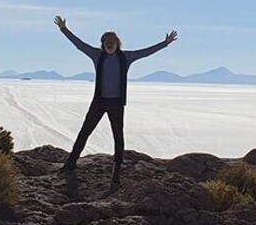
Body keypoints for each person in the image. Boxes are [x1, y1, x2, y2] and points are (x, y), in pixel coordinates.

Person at [53, 15, 178, 193]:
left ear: (117, 43)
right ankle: (70, 164)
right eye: (106, 41)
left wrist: (164, 43)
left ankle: (116, 172)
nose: (109, 43)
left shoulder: (126, 57)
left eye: (112, 41)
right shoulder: (97, 55)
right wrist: (64, 30)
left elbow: (145, 52)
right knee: (85, 132)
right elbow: (79, 44)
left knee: (118, 137)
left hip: (116, 104)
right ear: (102, 44)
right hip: (99, 102)